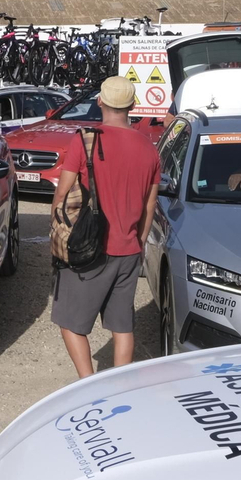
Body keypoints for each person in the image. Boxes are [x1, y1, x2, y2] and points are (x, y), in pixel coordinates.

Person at [49, 76, 160, 379]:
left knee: (70, 323)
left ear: (100, 101)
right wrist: (137, 241)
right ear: (133, 105)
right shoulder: (150, 148)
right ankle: (119, 382)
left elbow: (63, 192)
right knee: (122, 325)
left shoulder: (85, 139)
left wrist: (57, 228)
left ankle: (88, 383)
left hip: (90, 247)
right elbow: (150, 205)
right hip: (129, 249)